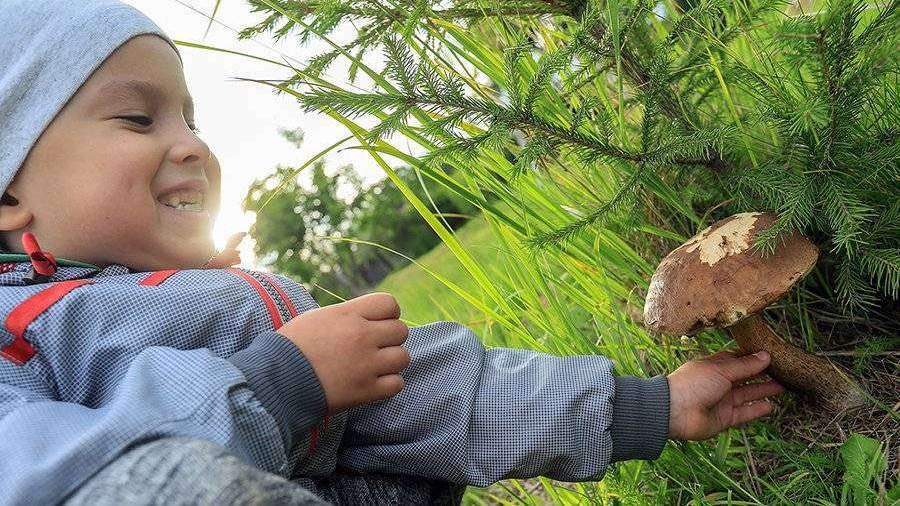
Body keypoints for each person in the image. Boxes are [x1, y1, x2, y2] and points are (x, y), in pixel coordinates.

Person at [0, 1, 785, 505]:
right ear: (9, 195)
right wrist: (273, 388)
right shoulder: (18, 338)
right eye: (139, 120)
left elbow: (430, 391)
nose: (193, 147)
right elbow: (52, 477)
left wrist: (648, 408)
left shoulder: (230, 298)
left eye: (192, 118)